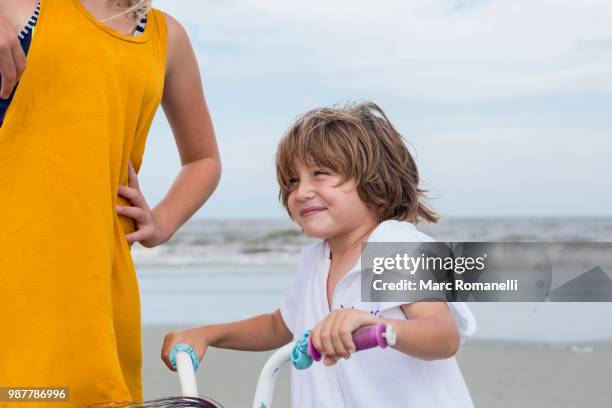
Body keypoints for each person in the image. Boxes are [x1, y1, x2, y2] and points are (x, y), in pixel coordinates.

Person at [162, 102, 476, 407]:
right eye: (292, 181)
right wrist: (207, 334)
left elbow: (441, 334)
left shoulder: (394, 244)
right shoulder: (316, 259)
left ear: (375, 180)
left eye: (320, 173)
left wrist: (377, 328)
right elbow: (278, 327)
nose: (301, 192)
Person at [0, 0, 221, 406]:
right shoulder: (23, 7)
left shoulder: (166, 38)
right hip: (14, 279)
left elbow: (204, 159)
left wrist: (162, 221)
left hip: (99, 290)